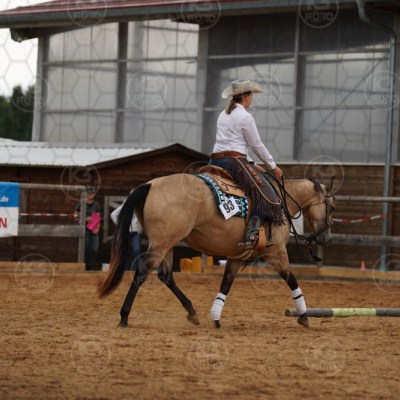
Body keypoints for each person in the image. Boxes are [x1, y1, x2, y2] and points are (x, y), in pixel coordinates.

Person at [209, 79, 284, 249]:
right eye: (251, 95)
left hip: (215, 160)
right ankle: (252, 232)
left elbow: (232, 143)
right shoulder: (245, 117)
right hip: (233, 162)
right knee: (266, 194)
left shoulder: (223, 114)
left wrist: (251, 163)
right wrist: (273, 166)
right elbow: (256, 145)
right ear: (246, 96)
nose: (252, 99)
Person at [74, 186, 102, 270]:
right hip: (83, 228)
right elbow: (75, 216)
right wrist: (86, 219)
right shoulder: (81, 203)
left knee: (94, 248)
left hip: (93, 228)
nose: (91, 195)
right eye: (89, 193)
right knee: (84, 248)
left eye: (92, 193)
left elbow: (98, 217)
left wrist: (97, 228)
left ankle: (90, 266)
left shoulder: (96, 205)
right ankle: (82, 265)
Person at [110, 200, 143, 271]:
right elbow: (113, 214)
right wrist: (121, 225)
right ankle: (126, 269)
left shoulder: (141, 205)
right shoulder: (126, 204)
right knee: (126, 251)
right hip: (126, 231)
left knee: (137, 250)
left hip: (136, 231)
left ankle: (136, 270)